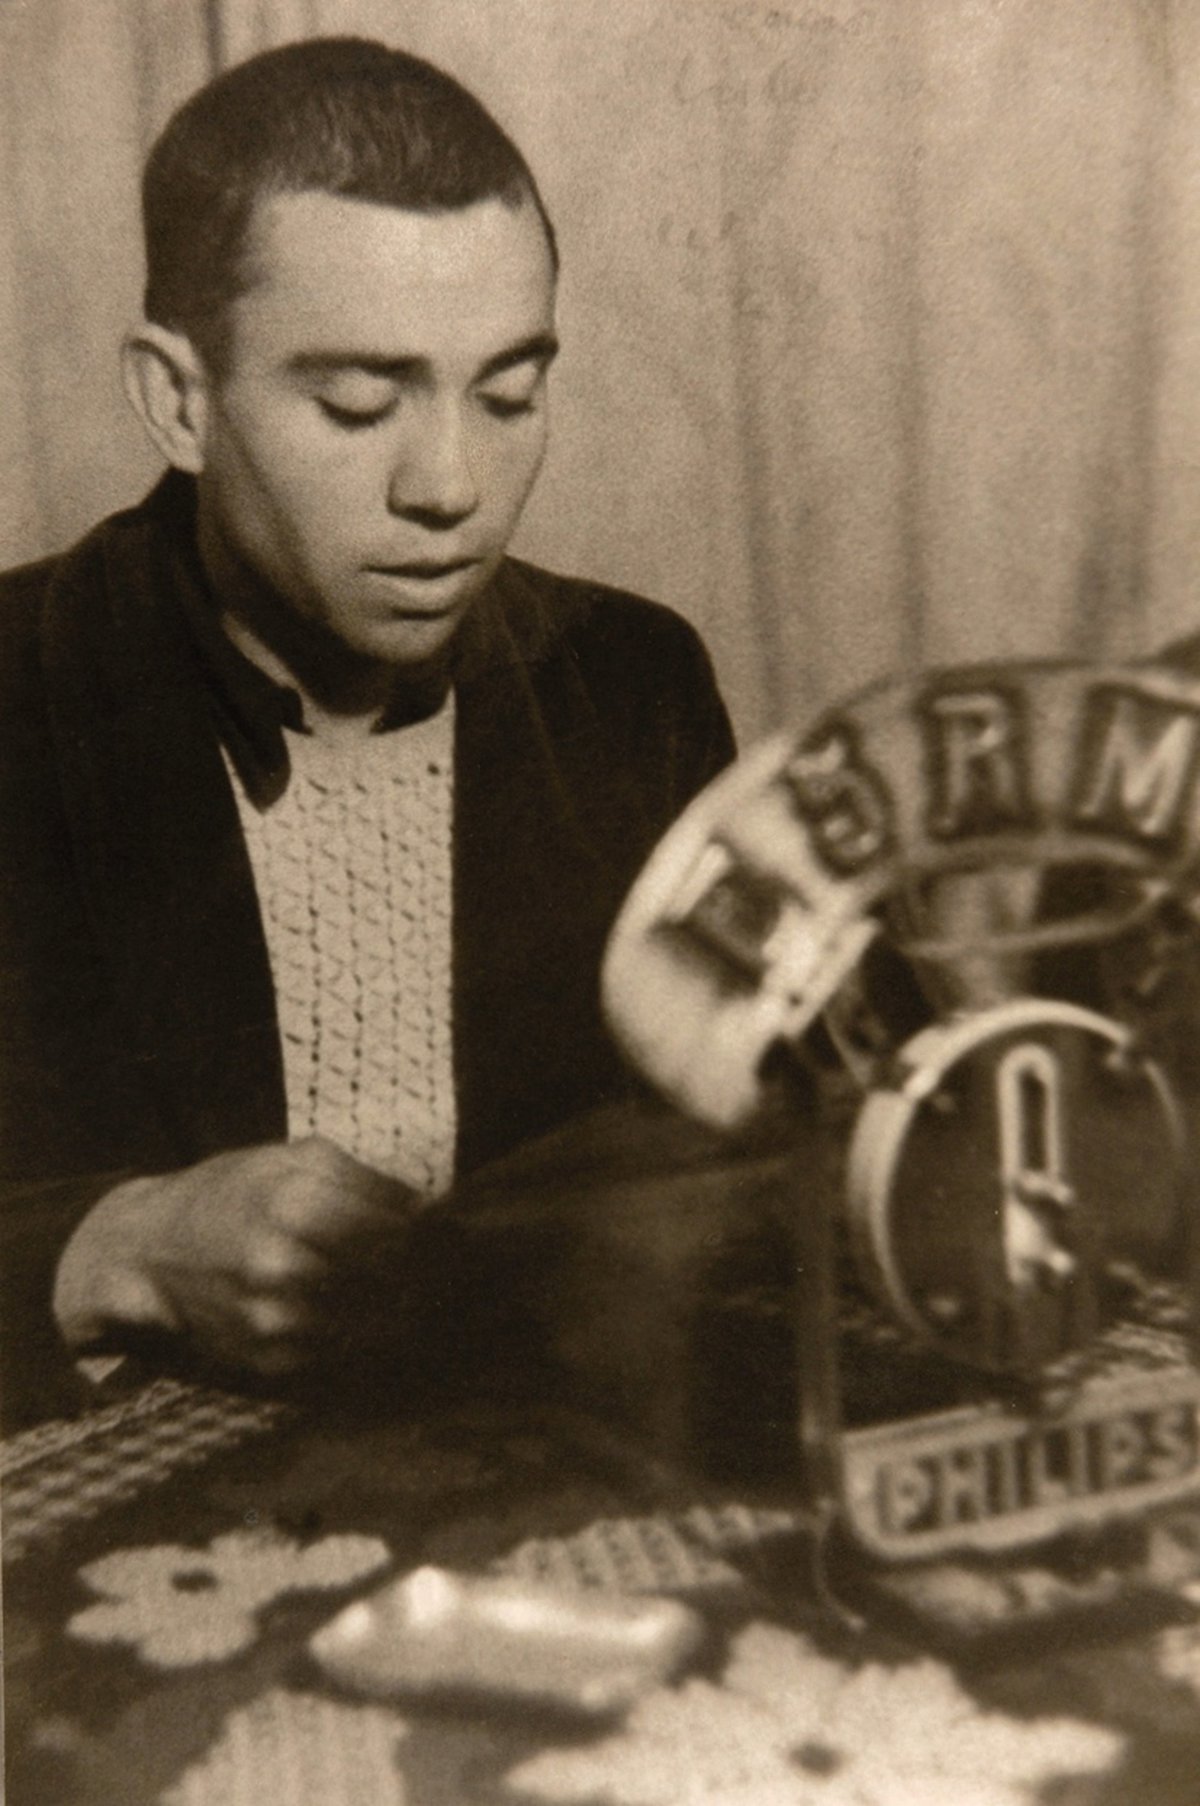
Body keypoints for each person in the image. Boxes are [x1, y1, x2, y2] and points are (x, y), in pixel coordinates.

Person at [0, 37, 736, 1429]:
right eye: (357, 404)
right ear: (178, 399)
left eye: (509, 394)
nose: (450, 486)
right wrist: (114, 1250)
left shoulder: (633, 684)